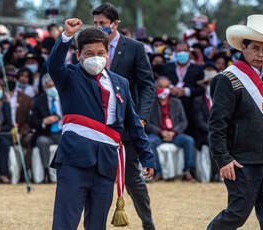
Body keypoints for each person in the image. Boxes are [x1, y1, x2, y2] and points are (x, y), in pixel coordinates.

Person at [47, 19, 154, 230]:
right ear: (78, 55)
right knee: (64, 224)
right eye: (88, 53)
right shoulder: (68, 76)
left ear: (108, 54)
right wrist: (67, 37)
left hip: (106, 163)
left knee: (97, 225)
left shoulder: (121, 83)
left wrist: (147, 155)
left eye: (100, 53)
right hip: (74, 161)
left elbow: (133, 123)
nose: (95, 58)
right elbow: (53, 65)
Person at [208, 15, 263, 229]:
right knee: (236, 215)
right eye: (255, 48)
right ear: (243, 47)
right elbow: (217, 124)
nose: (261, 54)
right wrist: (223, 159)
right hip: (241, 163)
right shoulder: (227, 79)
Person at [92, 3, 156, 230]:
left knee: (133, 182)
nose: (99, 28)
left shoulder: (134, 48)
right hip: (96, 126)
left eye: (103, 23)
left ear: (115, 23)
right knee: (97, 183)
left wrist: (142, 117)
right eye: (96, 23)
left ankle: (148, 223)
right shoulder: (90, 48)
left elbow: (147, 85)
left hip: (127, 126)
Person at [147, 77, 195, 181]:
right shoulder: (150, 103)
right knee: (149, 142)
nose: (163, 89)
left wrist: (174, 132)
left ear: (170, 88)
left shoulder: (176, 102)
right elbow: (147, 123)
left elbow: (184, 122)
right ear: (155, 88)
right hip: (157, 135)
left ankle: (188, 172)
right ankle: (157, 173)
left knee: (189, 140)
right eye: (160, 86)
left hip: (174, 135)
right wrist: (160, 132)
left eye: (166, 87)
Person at [159, 41, 204, 137]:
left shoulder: (198, 69)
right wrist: (170, 88)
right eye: (179, 51)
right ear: (175, 52)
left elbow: (201, 89)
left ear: (189, 52)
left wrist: (185, 91)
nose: (182, 53)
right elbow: (160, 83)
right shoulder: (166, 68)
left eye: (185, 51)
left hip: (191, 109)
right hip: (171, 108)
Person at [30, 73, 62, 183]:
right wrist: (44, 121)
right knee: (42, 141)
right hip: (47, 134)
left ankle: (67, 172)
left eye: (54, 86)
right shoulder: (38, 101)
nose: (52, 88)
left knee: (72, 140)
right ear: (44, 88)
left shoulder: (65, 97)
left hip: (63, 132)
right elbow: (32, 122)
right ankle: (46, 171)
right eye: (49, 87)